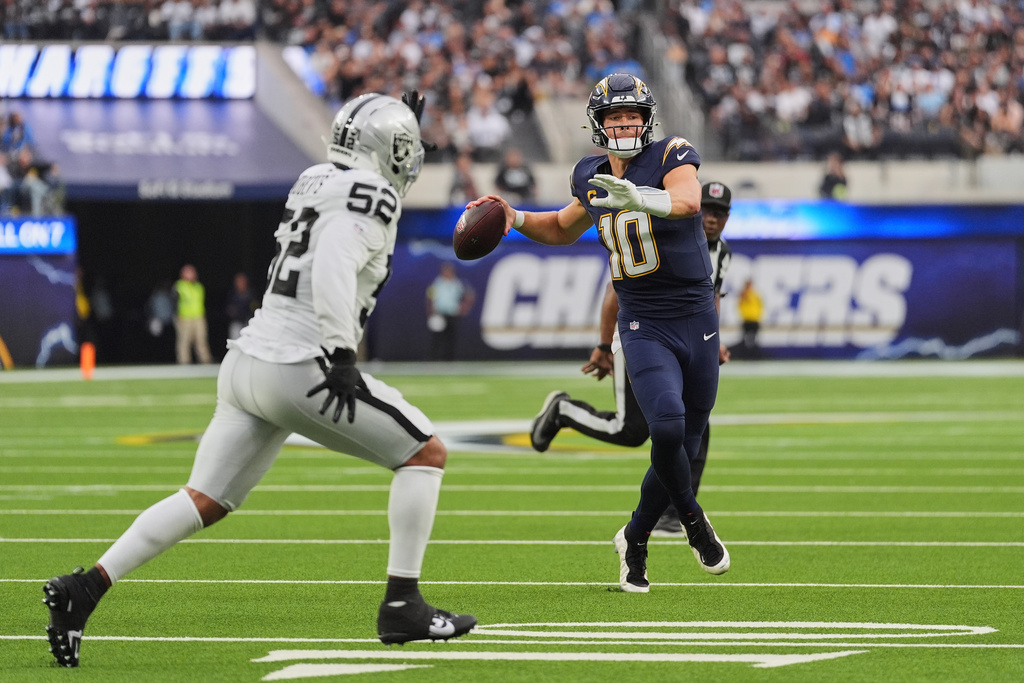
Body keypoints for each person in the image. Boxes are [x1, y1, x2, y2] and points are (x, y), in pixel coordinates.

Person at [42, 91, 476, 668]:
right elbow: (333, 262)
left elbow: (344, 206)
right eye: (404, 145)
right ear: (383, 150)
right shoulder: (371, 195)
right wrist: (343, 351)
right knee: (425, 454)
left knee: (204, 498)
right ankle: (403, 604)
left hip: (246, 362)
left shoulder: (316, 177)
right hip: (302, 363)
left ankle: (85, 588)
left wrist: (390, 125)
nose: (412, 154)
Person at [468, 73, 730, 593]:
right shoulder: (589, 175)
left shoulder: (672, 154)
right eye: (615, 116)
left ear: (647, 118)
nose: (625, 123)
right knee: (668, 431)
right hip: (643, 320)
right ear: (598, 124)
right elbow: (563, 227)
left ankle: (634, 538)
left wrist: (640, 198)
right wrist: (514, 217)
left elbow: (687, 202)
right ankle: (695, 523)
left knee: (689, 437)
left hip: (697, 315)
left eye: (632, 114)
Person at [529, 181, 734, 538]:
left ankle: (677, 511)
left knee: (696, 423)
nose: (712, 220)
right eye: (708, 211)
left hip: (687, 338)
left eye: (720, 213)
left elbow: (712, 295)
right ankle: (563, 411)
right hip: (643, 336)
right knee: (632, 431)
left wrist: (713, 339)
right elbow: (616, 291)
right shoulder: (662, 231)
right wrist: (605, 344)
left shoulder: (722, 252)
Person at [425, 261, 475, 361]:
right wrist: (431, 312)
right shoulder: (436, 283)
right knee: (437, 338)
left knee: (451, 338)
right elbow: (430, 298)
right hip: (439, 313)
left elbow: (469, 294)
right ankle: (434, 359)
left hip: (452, 314)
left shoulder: (457, 283)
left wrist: (464, 308)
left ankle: (449, 360)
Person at [173, 263, 213, 364]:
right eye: (188, 272)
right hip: (185, 318)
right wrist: (177, 315)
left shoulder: (199, 286)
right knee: (184, 342)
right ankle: (184, 362)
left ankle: (205, 361)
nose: (191, 274)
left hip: (199, 317)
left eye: (192, 272)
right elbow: (173, 301)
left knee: (202, 341)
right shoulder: (179, 286)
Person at [225, 272, 258, 340]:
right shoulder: (232, 295)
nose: (240, 283)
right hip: (236, 323)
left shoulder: (251, 294)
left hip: (248, 323)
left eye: (242, 280)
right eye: (238, 281)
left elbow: (255, 309)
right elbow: (229, 310)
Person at [737, 278, 764, 358]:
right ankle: (745, 355)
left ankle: (754, 356)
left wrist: (758, 316)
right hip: (746, 320)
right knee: (745, 339)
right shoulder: (743, 294)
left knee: (754, 339)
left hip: (754, 320)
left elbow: (760, 306)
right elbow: (740, 306)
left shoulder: (755, 295)